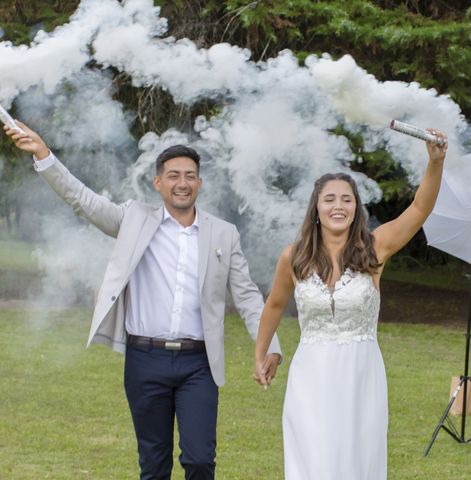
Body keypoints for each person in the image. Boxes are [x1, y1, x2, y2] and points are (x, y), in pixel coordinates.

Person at [4, 121, 282, 480]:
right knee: (153, 464)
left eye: (190, 176)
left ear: (199, 183)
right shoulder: (132, 218)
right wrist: (44, 154)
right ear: (158, 182)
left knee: (200, 461)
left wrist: (270, 345)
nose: (182, 183)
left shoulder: (223, 234)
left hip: (199, 363)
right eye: (173, 176)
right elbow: (82, 199)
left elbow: (248, 298)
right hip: (144, 359)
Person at [253, 127, 447, 479]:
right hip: (310, 375)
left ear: (356, 208)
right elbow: (274, 306)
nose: (338, 206)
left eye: (346, 199)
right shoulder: (293, 258)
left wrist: (435, 162)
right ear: (316, 208)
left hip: (361, 374)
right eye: (329, 199)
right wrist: (260, 354)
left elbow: (421, 207)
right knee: (313, 459)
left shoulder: (376, 248)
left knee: (357, 460)